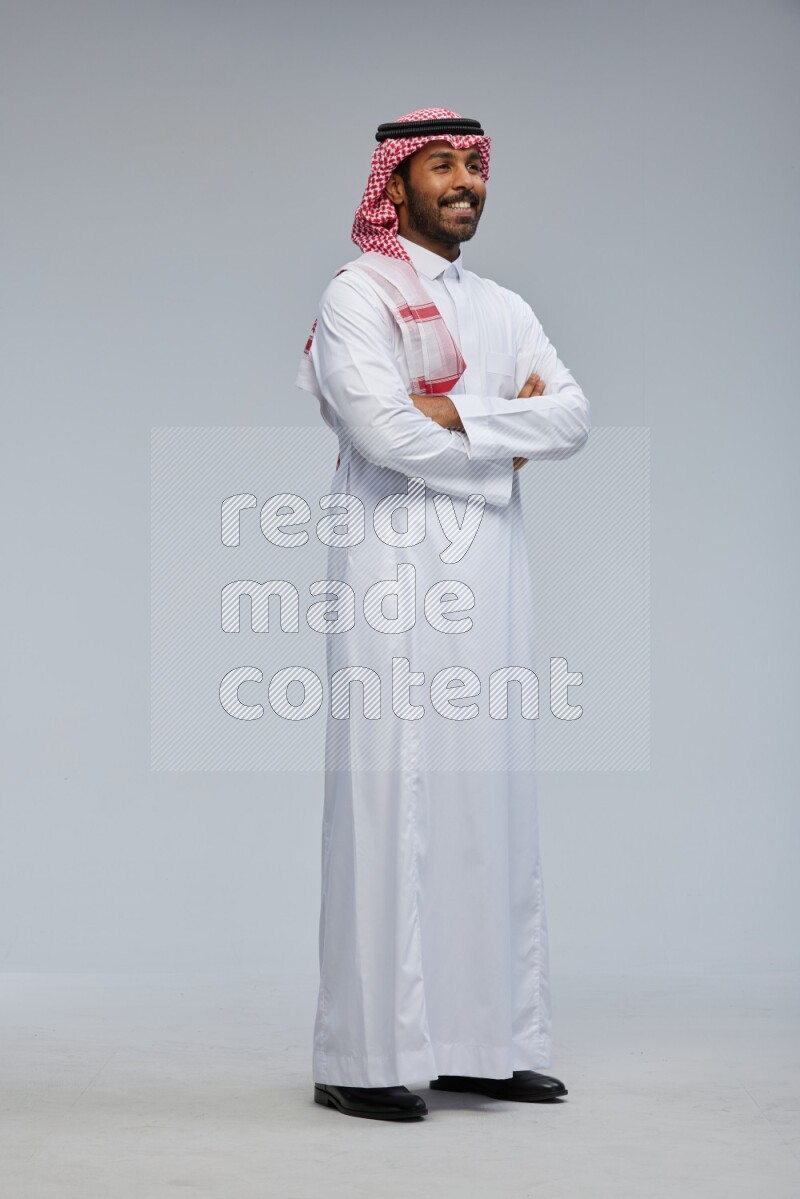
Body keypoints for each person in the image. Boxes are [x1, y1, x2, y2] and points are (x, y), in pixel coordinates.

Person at [295, 107, 590, 1122]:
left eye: (474, 164)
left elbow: (571, 415)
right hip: (389, 568)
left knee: (487, 796)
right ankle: (362, 1053)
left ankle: (487, 1043)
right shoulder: (358, 293)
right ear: (394, 184)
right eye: (441, 165)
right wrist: (504, 443)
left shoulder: (504, 306)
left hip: (489, 580)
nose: (465, 181)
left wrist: (456, 411)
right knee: (389, 798)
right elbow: (380, 433)